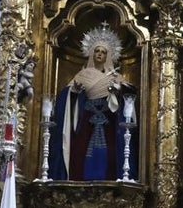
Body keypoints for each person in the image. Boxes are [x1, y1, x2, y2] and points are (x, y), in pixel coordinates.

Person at [49, 23, 134, 180]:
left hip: (109, 119)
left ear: (108, 56)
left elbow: (128, 97)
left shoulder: (115, 77)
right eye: (97, 51)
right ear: (91, 53)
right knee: (80, 150)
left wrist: (117, 91)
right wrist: (74, 91)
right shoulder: (83, 75)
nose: (100, 54)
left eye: (103, 52)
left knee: (110, 153)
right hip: (86, 119)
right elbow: (66, 97)